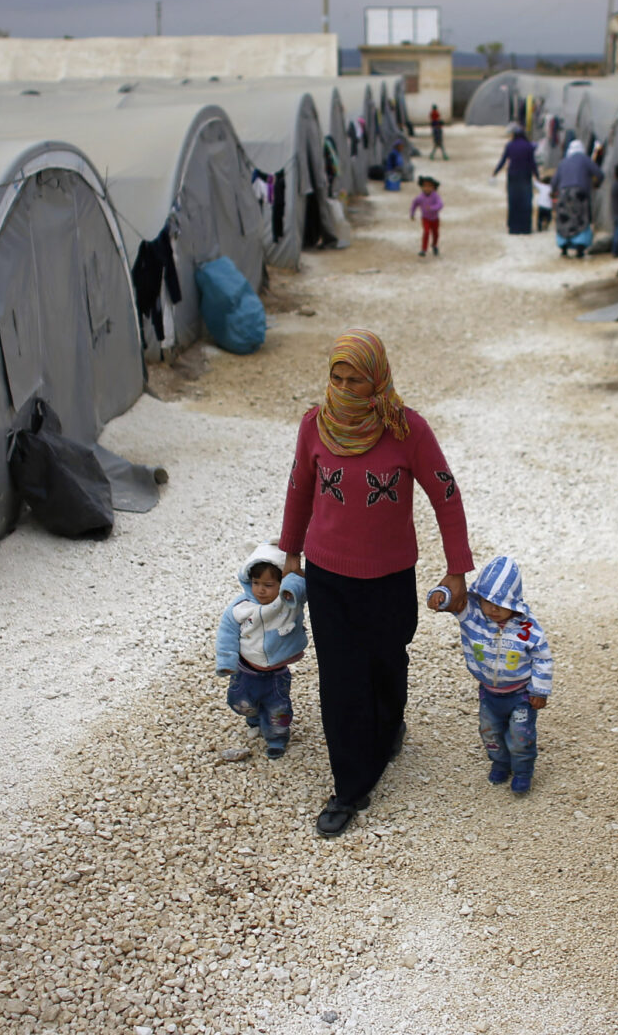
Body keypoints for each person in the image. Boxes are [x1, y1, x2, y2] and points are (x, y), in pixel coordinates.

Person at [280, 331, 473, 837]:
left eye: (356, 380)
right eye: (337, 378)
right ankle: (350, 786)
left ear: (378, 379)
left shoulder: (407, 430)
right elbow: (299, 487)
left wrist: (457, 569)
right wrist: (290, 554)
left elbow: (446, 496)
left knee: (388, 662)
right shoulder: (313, 426)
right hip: (328, 577)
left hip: (389, 577)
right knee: (341, 678)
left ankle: (388, 729)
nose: (344, 389)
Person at [431, 555, 552, 794]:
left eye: (501, 604)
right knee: (490, 732)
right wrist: (439, 594)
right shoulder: (473, 616)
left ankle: (523, 771)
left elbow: (542, 658)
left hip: (520, 695)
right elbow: (452, 600)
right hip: (489, 693)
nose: (493, 609)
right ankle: (500, 763)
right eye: (487, 601)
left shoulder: (528, 629)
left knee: (521, 736)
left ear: (514, 603)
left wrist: (539, 690)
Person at [216, 543, 308, 758]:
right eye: (256, 583)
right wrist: (226, 661)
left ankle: (276, 739)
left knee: (278, 710)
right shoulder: (242, 607)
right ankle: (255, 715)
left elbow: (305, 582)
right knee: (239, 702)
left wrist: (292, 577)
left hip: (276, 674)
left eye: (268, 584)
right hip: (245, 670)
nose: (261, 590)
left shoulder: (289, 603)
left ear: (282, 582)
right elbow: (227, 633)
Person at [553, 139, 601, 258]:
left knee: (564, 220)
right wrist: (596, 184)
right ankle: (580, 247)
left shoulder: (563, 162)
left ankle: (564, 247)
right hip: (580, 194)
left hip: (564, 194)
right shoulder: (585, 160)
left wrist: (554, 192)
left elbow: (554, 182)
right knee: (580, 220)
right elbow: (599, 174)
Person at [494, 123, 538, 235]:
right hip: (525, 176)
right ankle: (525, 228)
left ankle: (513, 228)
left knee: (513, 201)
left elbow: (503, 160)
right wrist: (537, 176)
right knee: (525, 201)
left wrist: (495, 172)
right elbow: (533, 163)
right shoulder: (528, 146)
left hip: (513, 176)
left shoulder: (510, 145)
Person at [408, 175, 444, 257]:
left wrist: (432, 208)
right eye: (425, 186)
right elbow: (414, 204)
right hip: (425, 218)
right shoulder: (420, 197)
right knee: (426, 232)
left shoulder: (435, 196)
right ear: (422, 187)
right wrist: (412, 213)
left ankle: (434, 245)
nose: (427, 188)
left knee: (435, 233)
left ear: (433, 187)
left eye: (429, 186)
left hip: (435, 219)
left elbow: (440, 204)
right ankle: (423, 249)